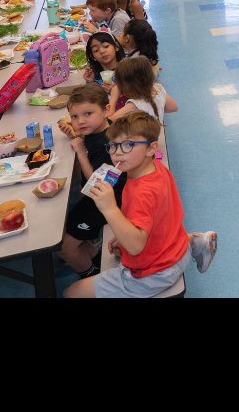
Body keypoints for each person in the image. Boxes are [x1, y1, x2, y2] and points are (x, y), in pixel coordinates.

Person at [64, 112, 203, 299]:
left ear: (151, 148)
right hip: (176, 250)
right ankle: (194, 241)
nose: (117, 152)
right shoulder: (156, 168)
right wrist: (124, 234)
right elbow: (159, 215)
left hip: (153, 274)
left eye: (128, 144)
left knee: (71, 293)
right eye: (112, 145)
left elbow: (136, 247)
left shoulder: (141, 192)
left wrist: (109, 208)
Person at [57, 84, 127, 278]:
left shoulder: (111, 144)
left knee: (63, 248)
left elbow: (97, 185)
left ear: (106, 110)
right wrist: (77, 134)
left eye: (87, 114)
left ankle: (92, 277)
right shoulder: (101, 130)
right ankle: (94, 257)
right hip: (95, 199)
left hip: (107, 203)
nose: (80, 121)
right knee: (62, 230)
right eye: (75, 116)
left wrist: (80, 151)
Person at [108, 56, 177, 123]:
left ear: (127, 85)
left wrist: (113, 97)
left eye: (117, 82)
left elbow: (108, 122)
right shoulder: (157, 88)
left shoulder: (134, 105)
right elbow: (173, 107)